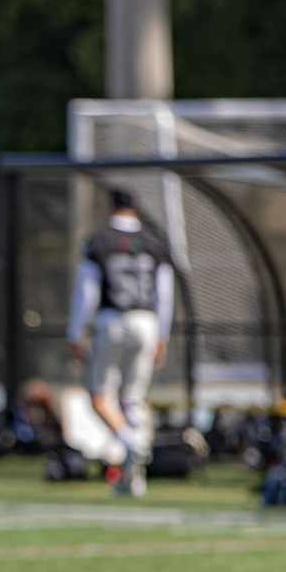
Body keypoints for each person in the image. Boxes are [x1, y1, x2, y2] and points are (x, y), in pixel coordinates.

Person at [68, 187, 174, 496]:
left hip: (113, 320)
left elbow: (87, 292)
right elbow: (165, 294)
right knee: (133, 398)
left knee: (101, 397)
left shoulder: (99, 241)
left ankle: (131, 442)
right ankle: (133, 479)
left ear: (110, 205)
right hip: (147, 321)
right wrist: (162, 335)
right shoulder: (155, 242)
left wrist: (76, 333)